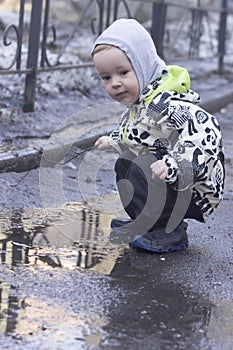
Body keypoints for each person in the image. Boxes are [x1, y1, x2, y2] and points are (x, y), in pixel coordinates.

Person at [91, 18, 225, 253]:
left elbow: (204, 143)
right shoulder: (142, 104)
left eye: (123, 72)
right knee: (126, 163)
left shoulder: (170, 106)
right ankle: (147, 224)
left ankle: (169, 232)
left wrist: (173, 166)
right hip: (171, 181)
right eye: (106, 77)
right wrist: (113, 141)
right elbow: (138, 135)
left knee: (142, 166)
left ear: (142, 67)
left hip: (195, 189)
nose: (115, 83)